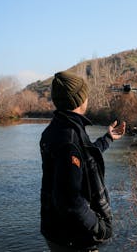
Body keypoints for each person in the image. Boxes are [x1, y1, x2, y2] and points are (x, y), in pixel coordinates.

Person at [40, 71, 126, 252]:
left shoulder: (58, 128)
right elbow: (70, 201)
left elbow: (84, 158)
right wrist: (99, 228)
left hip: (57, 232)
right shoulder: (69, 138)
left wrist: (107, 139)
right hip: (74, 239)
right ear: (79, 100)